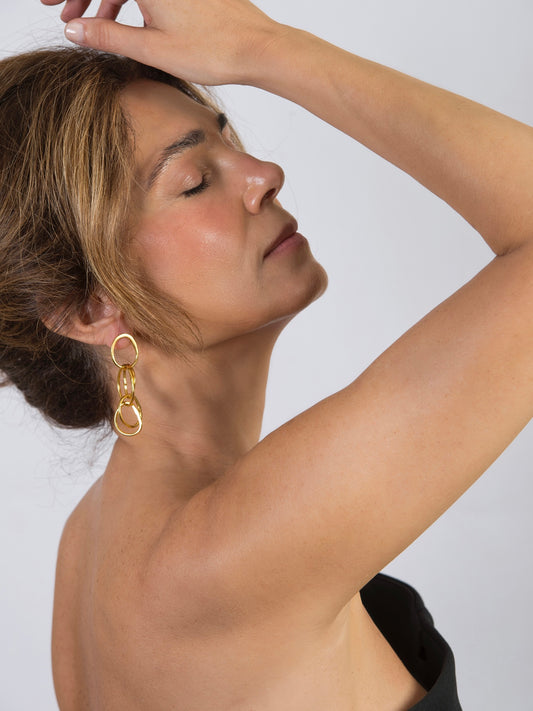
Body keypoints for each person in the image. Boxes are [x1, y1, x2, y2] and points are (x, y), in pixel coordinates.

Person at [2, 0, 532, 707]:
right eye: (194, 181)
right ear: (92, 309)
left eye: (230, 140)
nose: (265, 172)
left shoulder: (94, 540)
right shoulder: (219, 556)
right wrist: (266, 47)